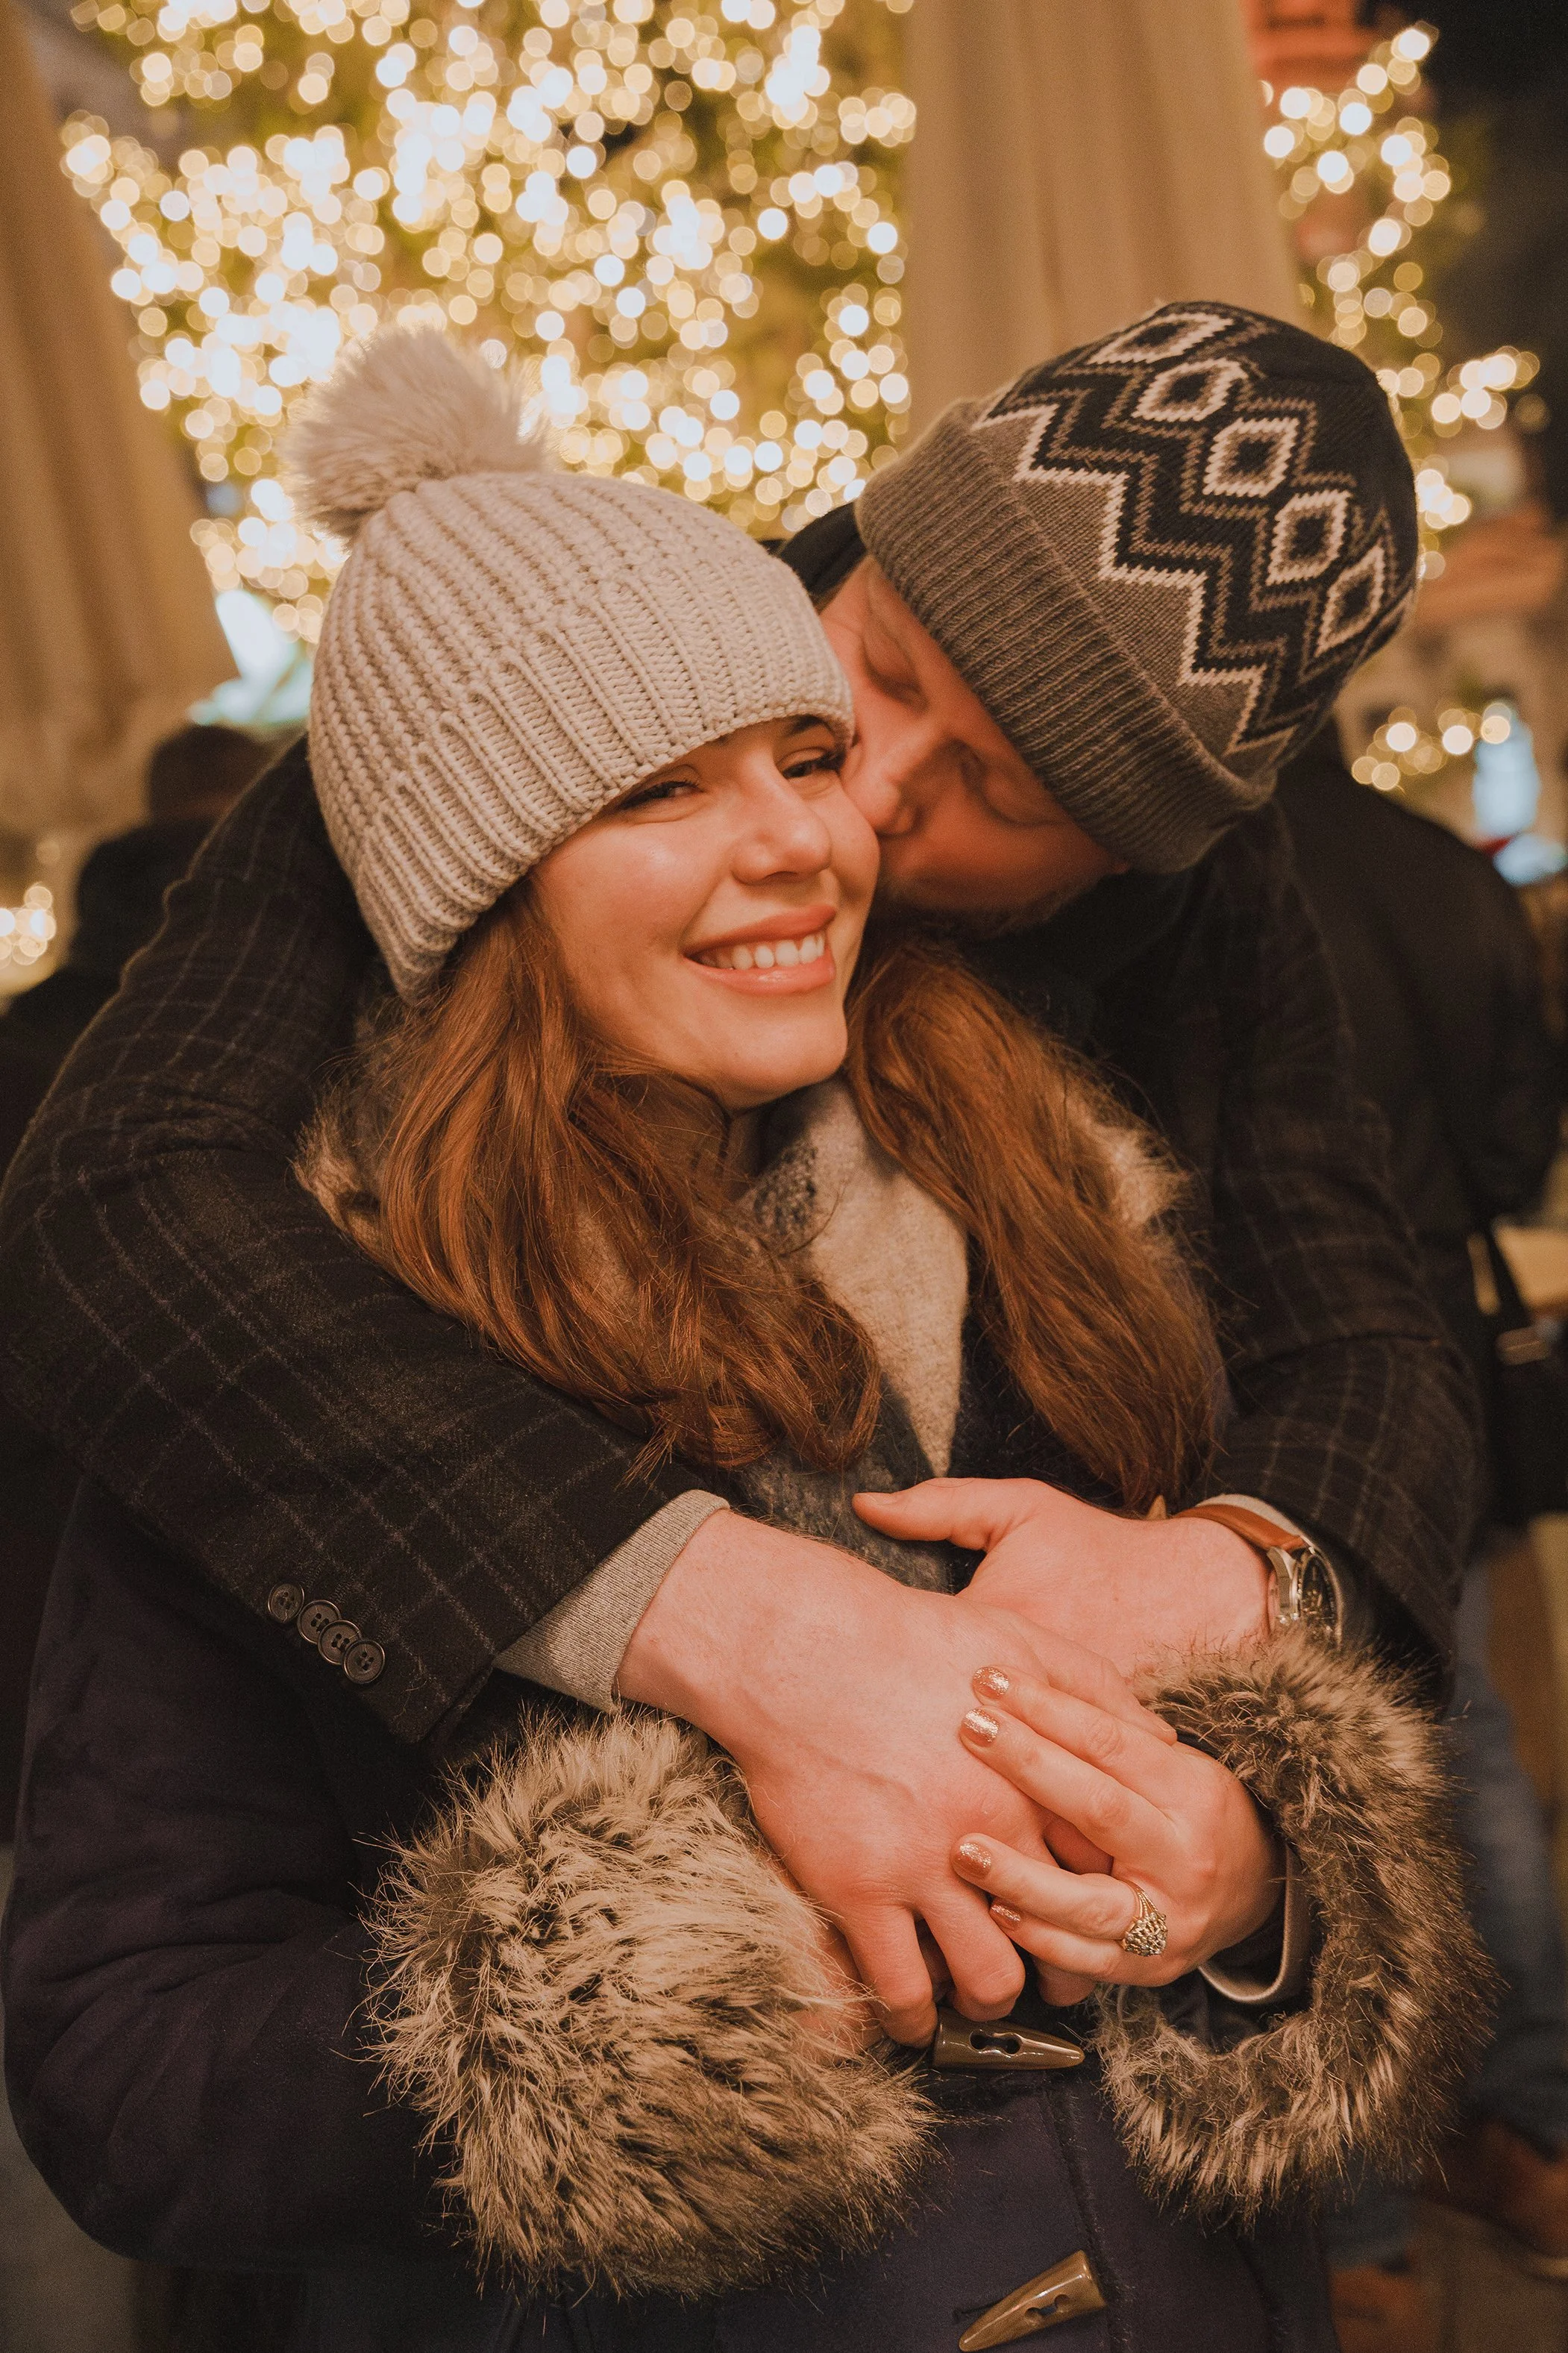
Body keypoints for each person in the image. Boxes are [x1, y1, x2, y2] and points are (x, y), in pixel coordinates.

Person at [4, 328, 1478, 2353]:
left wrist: (1240, 1805)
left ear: (1116, 869)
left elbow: (1369, 1345)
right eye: (854, 686)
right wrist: (726, 1766)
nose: (845, 812)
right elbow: (106, 1204)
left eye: (979, 793)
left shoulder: (1068, 1224)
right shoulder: (316, 1272)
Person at [1279, 742, 1568, 2352]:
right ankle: (1530, 2137)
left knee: (1315, 1798)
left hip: (1255, 1398)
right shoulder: (1444, 871)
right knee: (1476, 1755)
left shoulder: (1185, 873)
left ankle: (1365, 2235)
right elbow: (1517, 1147)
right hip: (1437, 1366)